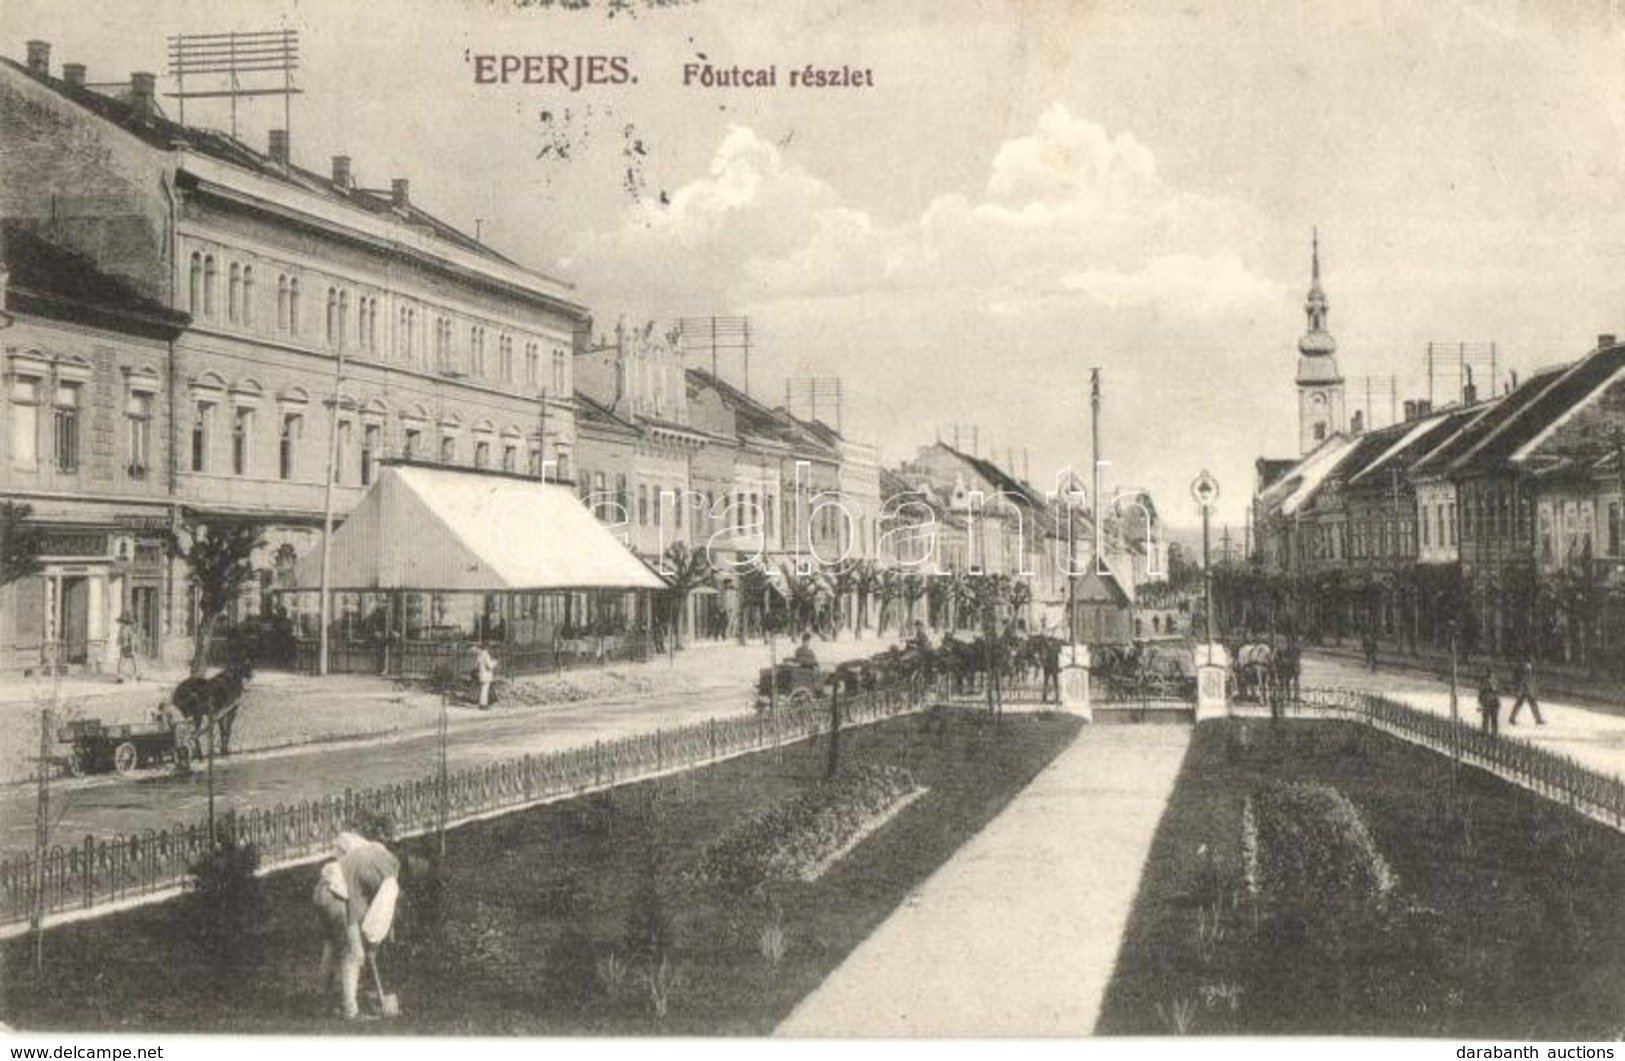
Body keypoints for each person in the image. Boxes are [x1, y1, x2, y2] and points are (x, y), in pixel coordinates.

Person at [316, 831, 401, 1020]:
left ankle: (322, 1002)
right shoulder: (387, 876)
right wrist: (369, 946)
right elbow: (363, 910)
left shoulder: (368, 855)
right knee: (354, 955)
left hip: (322, 889)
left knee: (331, 946)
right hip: (337, 898)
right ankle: (350, 1011)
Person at [1508, 656, 1544, 726]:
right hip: (1525, 688)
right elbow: (1525, 678)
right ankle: (1538, 719)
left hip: (1525, 688)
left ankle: (1512, 718)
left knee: (1521, 704)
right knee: (1530, 703)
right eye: (1533, 660)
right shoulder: (1527, 667)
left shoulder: (1525, 666)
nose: (1534, 661)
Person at [470, 641, 497, 709]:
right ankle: (483, 705)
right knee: (484, 690)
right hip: (486, 675)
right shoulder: (486, 655)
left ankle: (482, 704)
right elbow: (489, 666)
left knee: (483, 689)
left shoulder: (479, 656)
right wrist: (495, 663)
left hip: (481, 674)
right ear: (487, 647)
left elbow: (476, 665)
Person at [115, 615, 141, 683]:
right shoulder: (121, 630)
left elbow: (132, 640)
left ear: (125, 623)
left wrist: (132, 650)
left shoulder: (128, 629)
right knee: (121, 661)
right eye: (120, 622)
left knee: (134, 661)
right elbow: (119, 639)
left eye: (122, 622)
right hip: (123, 647)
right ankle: (119, 676)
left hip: (129, 647)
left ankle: (137, 674)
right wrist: (118, 643)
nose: (120, 624)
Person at [1477, 668, 1501, 736]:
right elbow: (1481, 691)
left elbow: (1481, 691)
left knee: (1489, 717)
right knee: (1489, 717)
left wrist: (1480, 700)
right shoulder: (1493, 680)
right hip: (1491, 701)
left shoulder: (1488, 681)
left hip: (1491, 701)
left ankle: (1490, 732)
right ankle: (1490, 732)